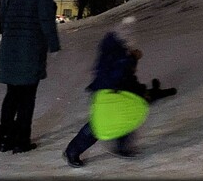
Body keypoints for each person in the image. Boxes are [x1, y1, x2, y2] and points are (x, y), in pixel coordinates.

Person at [63, 17, 176, 167]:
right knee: (98, 126)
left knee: (125, 116)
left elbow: (123, 75)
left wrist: (132, 63)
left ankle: (121, 147)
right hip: (107, 94)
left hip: (111, 92)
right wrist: (133, 65)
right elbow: (122, 77)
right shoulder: (120, 57)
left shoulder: (114, 51)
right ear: (125, 41)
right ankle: (72, 151)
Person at [0, 0, 60, 154]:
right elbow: (46, 20)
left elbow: (3, 18)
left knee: (11, 95)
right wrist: (54, 44)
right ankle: (21, 140)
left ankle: (4, 139)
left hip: (9, 50)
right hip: (30, 52)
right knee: (26, 98)